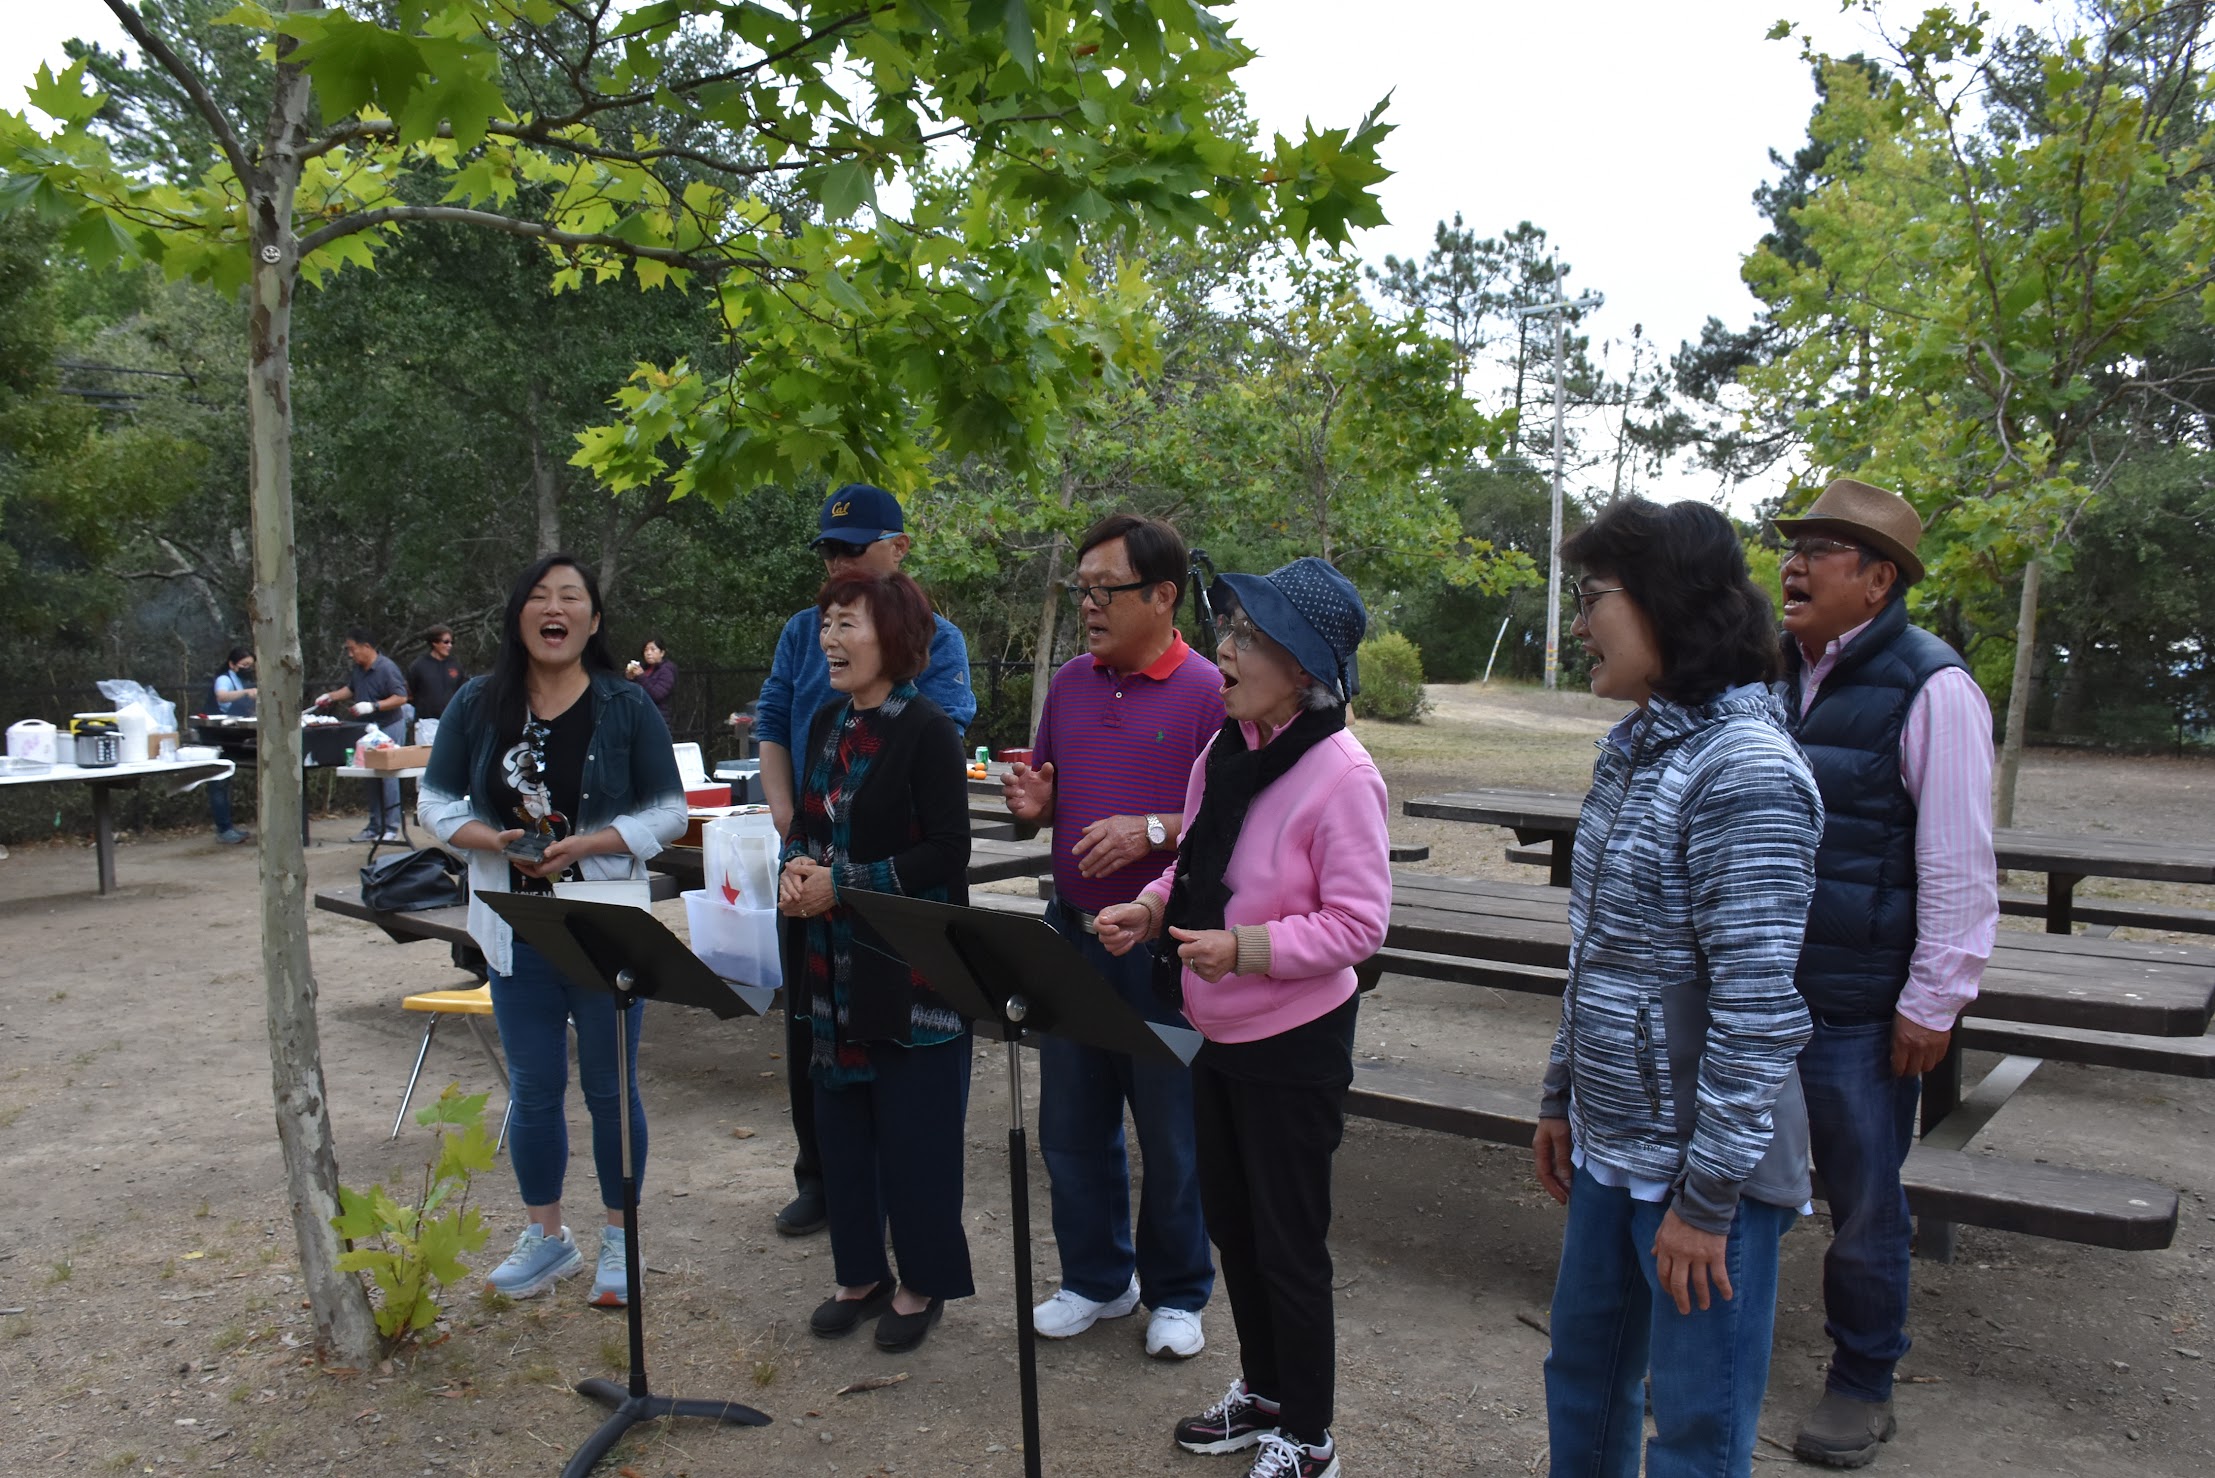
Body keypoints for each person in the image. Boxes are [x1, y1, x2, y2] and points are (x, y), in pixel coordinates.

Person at [1532, 497, 1823, 1478]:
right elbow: (1599, 950)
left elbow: (1756, 1012)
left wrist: (1704, 1203)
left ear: (1667, 601)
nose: (1579, 624)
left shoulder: (1744, 770)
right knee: (1583, 1374)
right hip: (1614, 1147)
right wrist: (1560, 1094)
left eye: (1594, 598)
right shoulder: (1636, 743)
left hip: (1710, 1180)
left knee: (1695, 1426)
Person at [1095, 557, 1387, 1478]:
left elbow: (1358, 925)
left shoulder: (1340, 774)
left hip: (1294, 1042)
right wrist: (1148, 910)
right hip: (1215, 1029)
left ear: (1300, 669)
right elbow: (1193, 870)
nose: (1221, 651)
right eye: (1225, 632)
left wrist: (1246, 947)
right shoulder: (1227, 749)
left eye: (1245, 639)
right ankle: (1264, 1394)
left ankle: (1309, 1435)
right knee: (1235, 1228)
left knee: (1289, 1246)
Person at [1771, 479, 1996, 1470]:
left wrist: (1934, 997)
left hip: (1860, 1007)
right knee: (1728, 1179)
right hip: (1758, 993)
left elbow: (1956, 857)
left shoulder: (1932, 686)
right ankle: (1711, 1354)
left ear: (1876, 581)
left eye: (1822, 549)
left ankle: (1862, 1378)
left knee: (1864, 1201)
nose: (1794, 562)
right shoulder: (1766, 672)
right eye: (1794, 544)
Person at [417, 554, 686, 1308]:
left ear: (593, 622)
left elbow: (668, 813)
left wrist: (591, 842)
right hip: (514, 928)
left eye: (571, 597)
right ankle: (546, 1238)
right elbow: (433, 802)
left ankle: (618, 1242)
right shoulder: (477, 703)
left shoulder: (627, 706)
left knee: (610, 1088)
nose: (554, 608)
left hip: (604, 930)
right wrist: (488, 839)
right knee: (533, 1090)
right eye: (538, 596)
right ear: (518, 617)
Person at [1001, 512, 1222, 1360]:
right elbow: (1053, 796)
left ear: (1163, 597)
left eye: (1107, 589)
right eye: (1081, 588)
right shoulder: (1070, 683)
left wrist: (1153, 831)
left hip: (1165, 947)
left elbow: (1225, 825)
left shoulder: (1210, 691)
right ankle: (1096, 1278)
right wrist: (1035, 808)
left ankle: (1176, 1291)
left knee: (1170, 1128)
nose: (1089, 603)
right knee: (1071, 1121)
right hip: (1070, 935)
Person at [755, 483, 977, 1237]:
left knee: (898, 1037)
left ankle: (900, 1205)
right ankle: (823, 1178)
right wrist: (791, 828)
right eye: (829, 550)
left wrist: (847, 865)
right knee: (811, 1028)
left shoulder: (934, 639)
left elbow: (931, 752)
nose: (839, 561)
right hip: (809, 856)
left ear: (898, 549)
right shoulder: (800, 632)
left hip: (886, 874)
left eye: (853, 548)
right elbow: (774, 721)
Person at [779, 570, 974, 1353]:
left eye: (846, 623)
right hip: (832, 965)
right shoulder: (828, 718)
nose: (829, 638)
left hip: (911, 970)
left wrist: (845, 884)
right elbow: (809, 819)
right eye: (826, 622)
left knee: (915, 1132)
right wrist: (795, 866)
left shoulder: (928, 729)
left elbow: (947, 851)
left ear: (892, 636)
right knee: (843, 1122)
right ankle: (859, 1275)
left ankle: (922, 1283)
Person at [314, 627, 410, 843]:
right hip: (367, 730)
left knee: (389, 777)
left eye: (352, 649)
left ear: (366, 647)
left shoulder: (387, 668)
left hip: (389, 726)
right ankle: (375, 826)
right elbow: (350, 689)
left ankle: (392, 827)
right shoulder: (358, 669)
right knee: (370, 777)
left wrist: (374, 706)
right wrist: (330, 696)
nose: (350, 654)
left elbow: (401, 697)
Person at [207, 646, 255, 845]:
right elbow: (222, 696)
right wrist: (246, 693)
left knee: (225, 781)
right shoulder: (224, 679)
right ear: (232, 664)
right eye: (244, 665)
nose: (247, 669)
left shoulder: (239, 680)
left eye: (250, 666)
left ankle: (227, 827)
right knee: (218, 782)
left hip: (232, 734)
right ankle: (224, 829)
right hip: (216, 735)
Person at [406, 626, 468, 738]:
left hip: (452, 722)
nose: (450, 645)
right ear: (434, 643)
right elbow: (410, 693)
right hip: (426, 724)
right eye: (446, 642)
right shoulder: (418, 666)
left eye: (451, 642)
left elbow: (462, 691)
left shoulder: (455, 665)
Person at [626, 637, 677, 727]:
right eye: (646, 650)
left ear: (662, 653)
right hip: (641, 718)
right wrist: (630, 678)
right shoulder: (645, 669)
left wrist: (641, 676)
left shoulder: (666, 670)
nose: (648, 653)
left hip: (658, 719)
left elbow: (657, 695)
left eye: (653, 649)